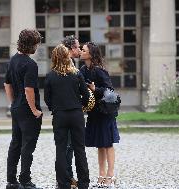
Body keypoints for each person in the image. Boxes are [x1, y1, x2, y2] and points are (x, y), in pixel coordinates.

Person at [44, 44, 91, 189]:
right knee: (79, 149)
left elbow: (47, 98)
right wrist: (80, 106)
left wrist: (55, 108)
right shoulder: (77, 73)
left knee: (61, 149)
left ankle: (63, 183)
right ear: (67, 56)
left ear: (54, 58)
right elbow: (86, 94)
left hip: (60, 115)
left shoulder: (51, 75)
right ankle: (83, 183)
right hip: (76, 114)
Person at [4, 29, 43, 189]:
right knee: (28, 146)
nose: (37, 47)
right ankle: (25, 180)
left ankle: (11, 181)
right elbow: (29, 89)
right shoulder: (30, 64)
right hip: (28, 111)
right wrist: (34, 110)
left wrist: (14, 102)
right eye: (36, 44)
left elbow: (7, 84)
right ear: (31, 45)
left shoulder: (13, 60)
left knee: (15, 143)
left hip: (16, 107)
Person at [80, 42, 120, 188]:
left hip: (104, 112)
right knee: (99, 145)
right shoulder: (83, 69)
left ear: (91, 53)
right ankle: (101, 174)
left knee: (108, 143)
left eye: (83, 50)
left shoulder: (99, 70)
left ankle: (111, 175)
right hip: (94, 112)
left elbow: (109, 90)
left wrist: (95, 88)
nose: (81, 51)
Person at [61, 35, 81, 188]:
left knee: (68, 148)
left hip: (62, 112)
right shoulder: (66, 65)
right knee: (67, 148)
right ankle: (67, 179)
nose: (79, 50)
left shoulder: (67, 63)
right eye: (77, 47)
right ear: (70, 49)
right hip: (68, 112)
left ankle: (67, 178)